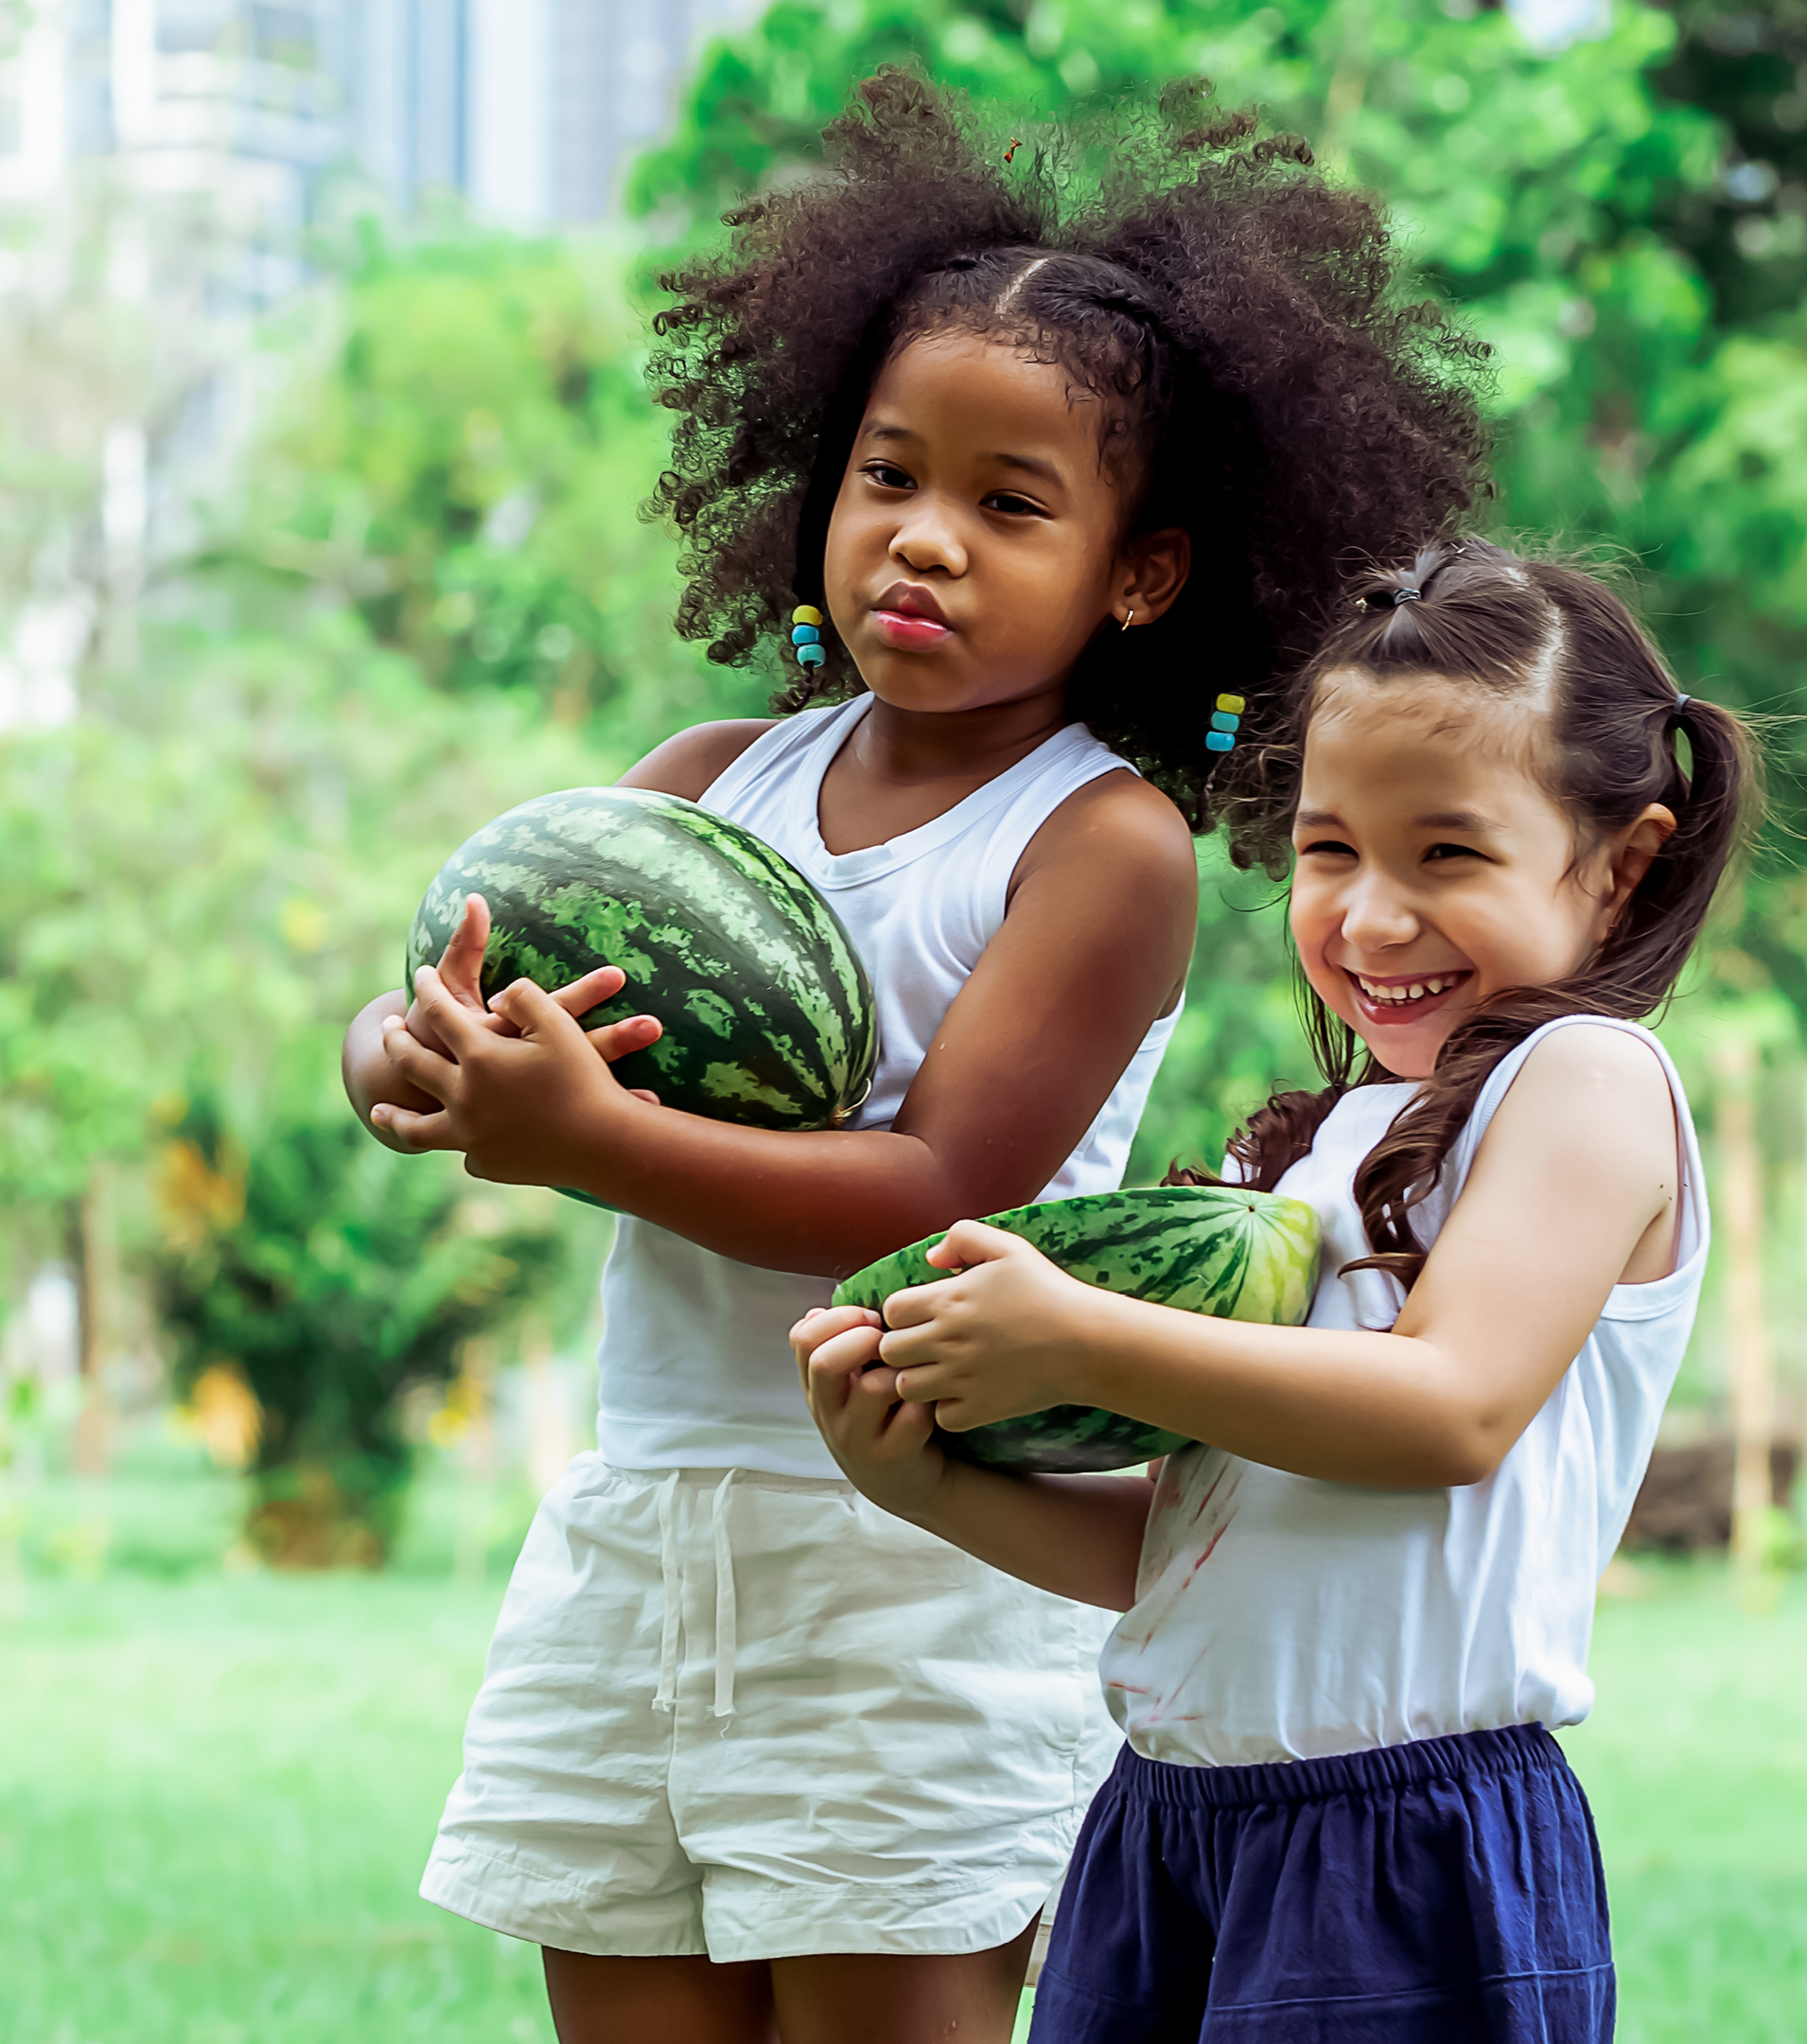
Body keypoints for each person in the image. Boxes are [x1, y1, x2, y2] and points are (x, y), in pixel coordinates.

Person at [338, 72, 1485, 2044]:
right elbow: (455, 986)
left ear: (1144, 574)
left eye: (1008, 501)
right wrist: (414, 1056)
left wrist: (584, 1143)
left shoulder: (1093, 844)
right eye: (888, 476)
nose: (923, 542)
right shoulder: (709, 783)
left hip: (909, 1553)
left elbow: (942, 1188)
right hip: (646, 1518)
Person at [797, 537, 1760, 2042]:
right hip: (1173, 1822)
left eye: (1448, 855)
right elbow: (1199, 1546)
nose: (1372, 919)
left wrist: (1089, 1339)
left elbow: (1449, 1409)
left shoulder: (1586, 1082)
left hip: (1402, 1845)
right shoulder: (1325, 1147)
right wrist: (924, 1483)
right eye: (1330, 851)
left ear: (1621, 863)